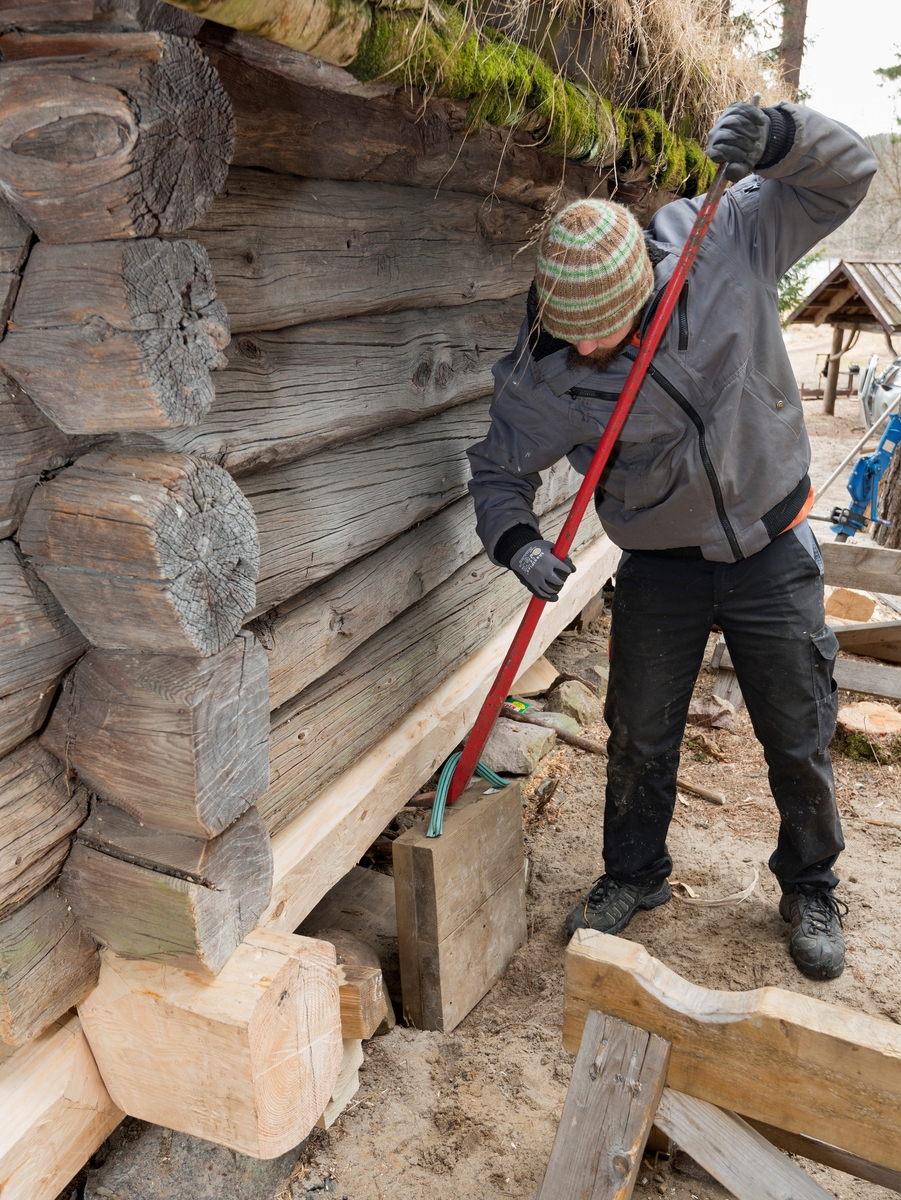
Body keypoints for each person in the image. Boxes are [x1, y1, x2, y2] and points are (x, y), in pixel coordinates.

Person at [466, 102, 877, 980]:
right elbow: (497, 474)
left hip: (774, 541)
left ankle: (808, 884)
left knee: (796, 728)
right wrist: (517, 545)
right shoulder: (546, 366)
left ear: (643, 286)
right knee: (638, 733)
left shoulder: (725, 240)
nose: (582, 344)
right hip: (658, 564)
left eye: (600, 327)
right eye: (566, 328)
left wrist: (781, 137)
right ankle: (633, 874)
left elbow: (846, 173)